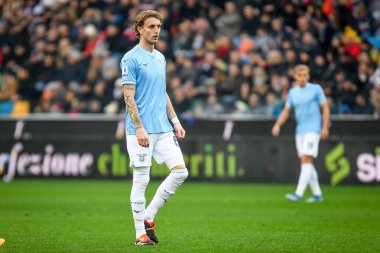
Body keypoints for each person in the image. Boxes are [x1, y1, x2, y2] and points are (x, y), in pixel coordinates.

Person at [120, 10, 188, 246]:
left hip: (163, 129)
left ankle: (149, 216)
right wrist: (139, 129)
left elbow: (162, 92)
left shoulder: (160, 57)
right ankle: (140, 234)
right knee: (141, 179)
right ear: (139, 29)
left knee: (181, 172)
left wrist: (175, 121)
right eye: (150, 26)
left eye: (158, 26)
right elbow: (128, 96)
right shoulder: (131, 58)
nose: (156, 30)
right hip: (141, 131)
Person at [272, 64, 330, 203]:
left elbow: (325, 108)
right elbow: (286, 111)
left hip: (313, 129)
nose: (302, 78)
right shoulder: (293, 93)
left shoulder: (316, 89)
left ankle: (298, 194)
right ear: (295, 77)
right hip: (300, 131)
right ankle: (317, 194)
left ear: (308, 76)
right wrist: (278, 124)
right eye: (299, 75)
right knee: (306, 163)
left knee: (306, 159)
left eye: (305, 75)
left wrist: (325, 127)